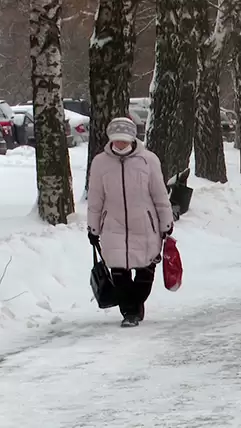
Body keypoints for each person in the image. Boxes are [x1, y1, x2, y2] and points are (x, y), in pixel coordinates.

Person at [87, 117, 174, 328]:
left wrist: (166, 223)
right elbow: (95, 197)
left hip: (145, 224)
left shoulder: (148, 160)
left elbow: (159, 194)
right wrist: (93, 227)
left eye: (124, 140)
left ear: (132, 138)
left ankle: (137, 303)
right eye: (116, 140)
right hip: (113, 225)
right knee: (119, 271)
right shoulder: (100, 163)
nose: (120, 144)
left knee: (145, 272)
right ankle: (129, 312)